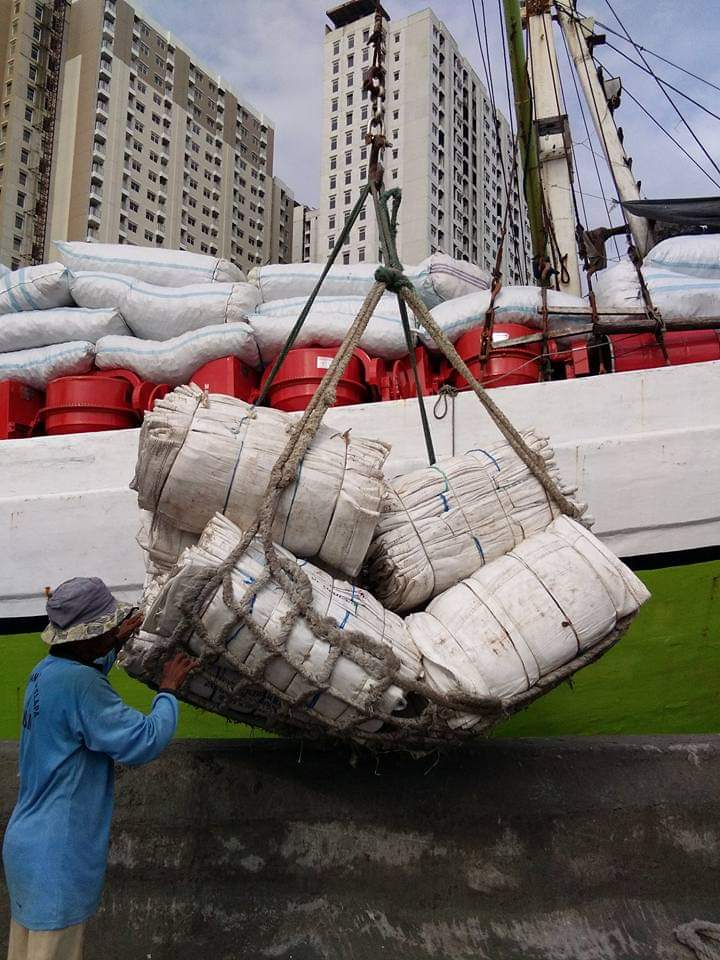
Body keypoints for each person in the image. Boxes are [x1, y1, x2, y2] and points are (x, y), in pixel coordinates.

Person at [2, 577, 195, 960]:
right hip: (57, 853)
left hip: (28, 847)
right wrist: (168, 691)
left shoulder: (48, 670)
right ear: (85, 637)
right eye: (105, 629)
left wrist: (116, 640)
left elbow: (85, 669)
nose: (111, 633)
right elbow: (144, 740)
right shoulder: (83, 686)